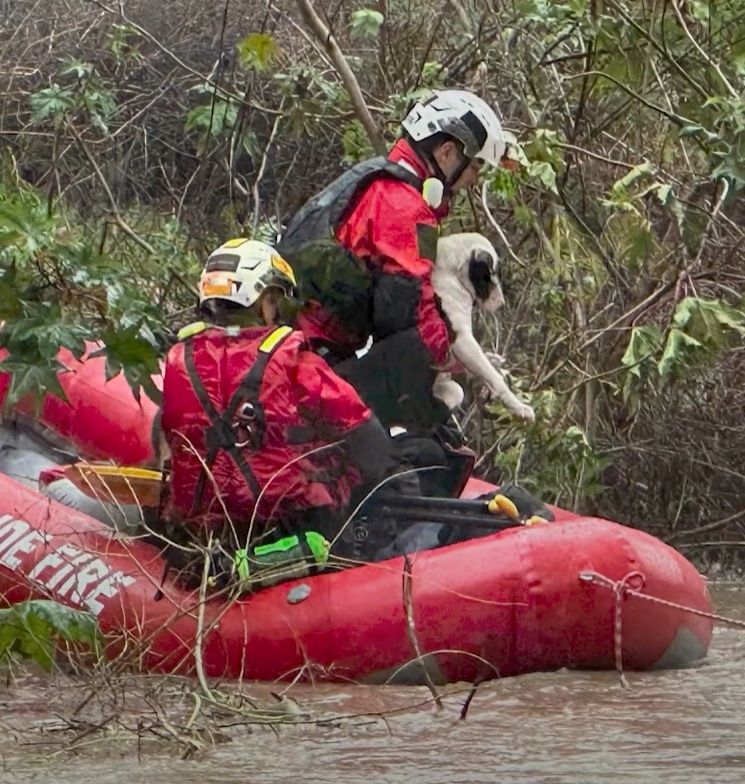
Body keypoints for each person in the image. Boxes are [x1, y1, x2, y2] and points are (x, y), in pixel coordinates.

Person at [275, 89, 520, 438]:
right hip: (314, 364)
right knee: (423, 439)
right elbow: (407, 316)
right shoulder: (407, 207)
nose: (475, 176)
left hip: (303, 350)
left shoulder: (377, 178)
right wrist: (452, 359)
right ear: (447, 152)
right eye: (476, 164)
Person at [155, 238, 399, 588]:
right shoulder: (294, 361)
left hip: (201, 532)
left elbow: (171, 441)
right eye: (275, 298)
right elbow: (368, 440)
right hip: (282, 527)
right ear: (263, 299)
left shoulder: (179, 359)